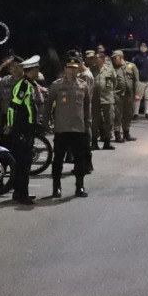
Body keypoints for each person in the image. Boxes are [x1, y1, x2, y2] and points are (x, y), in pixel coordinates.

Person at [0, 54, 42, 205]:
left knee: (23, 162)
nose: (38, 72)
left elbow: (35, 104)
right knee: (21, 162)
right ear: (32, 70)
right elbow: (12, 108)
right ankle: (20, 194)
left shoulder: (28, 84)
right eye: (36, 69)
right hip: (20, 128)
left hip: (25, 128)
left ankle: (20, 192)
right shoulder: (23, 85)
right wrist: (8, 125)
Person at [46, 55, 92, 198]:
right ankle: (56, 187)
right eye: (69, 68)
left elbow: (87, 106)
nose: (72, 71)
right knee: (58, 159)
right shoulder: (57, 85)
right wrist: (46, 122)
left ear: (78, 69)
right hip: (62, 128)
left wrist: (88, 122)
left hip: (78, 128)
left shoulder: (83, 85)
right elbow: (48, 105)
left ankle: (80, 186)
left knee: (79, 159)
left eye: (74, 68)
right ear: (65, 69)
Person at [92, 51, 118, 151]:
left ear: (102, 60)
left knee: (109, 120)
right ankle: (94, 142)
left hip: (107, 98)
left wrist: (110, 91)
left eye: (97, 58)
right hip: (95, 98)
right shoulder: (92, 69)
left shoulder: (109, 70)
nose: (95, 60)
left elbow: (115, 82)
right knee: (95, 121)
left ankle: (107, 142)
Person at [111, 51, 139, 141]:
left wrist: (137, 93)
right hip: (117, 94)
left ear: (121, 57)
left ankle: (126, 133)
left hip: (129, 94)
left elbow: (136, 81)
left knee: (128, 114)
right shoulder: (112, 68)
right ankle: (117, 134)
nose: (114, 60)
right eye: (113, 58)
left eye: (115, 58)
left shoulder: (131, 66)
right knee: (117, 115)